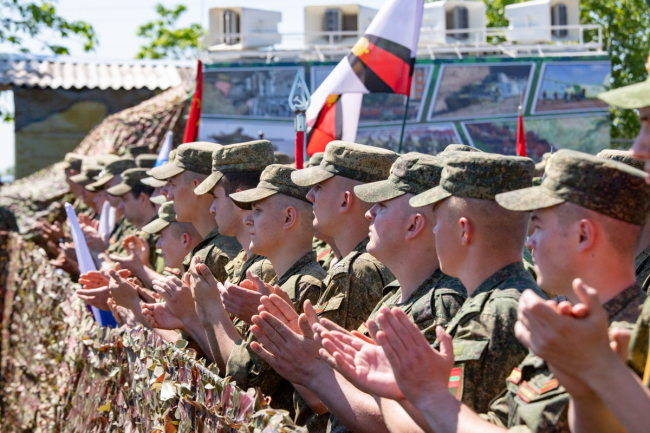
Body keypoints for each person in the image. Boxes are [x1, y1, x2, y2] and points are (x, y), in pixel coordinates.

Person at [189, 164, 326, 418]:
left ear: (288, 218)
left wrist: (213, 311)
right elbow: (228, 373)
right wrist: (206, 313)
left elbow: (244, 382)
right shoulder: (280, 280)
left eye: (258, 210)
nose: (247, 219)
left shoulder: (306, 287)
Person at [291, 141, 397, 331]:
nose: (309, 195)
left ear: (345, 201)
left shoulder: (355, 271)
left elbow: (324, 348)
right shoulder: (381, 259)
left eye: (319, 187)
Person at [192, 140, 277, 333]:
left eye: (216, 197)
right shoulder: (242, 259)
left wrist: (196, 314)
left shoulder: (265, 271)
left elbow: (240, 352)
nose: (212, 209)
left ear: (240, 198)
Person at [149, 142, 241, 280]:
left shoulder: (218, 255)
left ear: (196, 187)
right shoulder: (216, 247)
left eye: (173, 184)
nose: (168, 195)